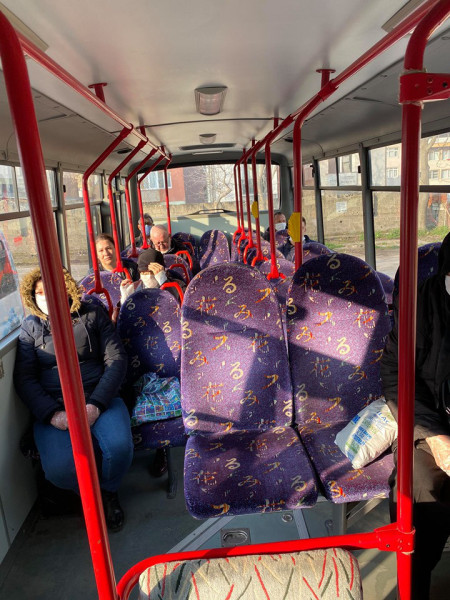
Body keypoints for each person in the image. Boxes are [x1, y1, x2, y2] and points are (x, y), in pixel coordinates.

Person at [14, 267, 134, 532]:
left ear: (65, 289)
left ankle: (108, 491)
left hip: (99, 395)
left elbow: (116, 359)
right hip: (55, 405)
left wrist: (96, 404)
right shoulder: (30, 328)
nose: (46, 297)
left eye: (51, 290)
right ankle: (89, 496)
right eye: (40, 293)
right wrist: (53, 414)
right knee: (59, 469)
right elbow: (25, 379)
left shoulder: (92, 314)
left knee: (119, 448)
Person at [380, 232, 450, 600]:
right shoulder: (419, 305)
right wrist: (435, 436)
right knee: (418, 491)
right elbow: (395, 374)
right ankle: (415, 582)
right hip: (428, 423)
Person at [119, 247, 186, 306]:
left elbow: (179, 307)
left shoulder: (178, 285)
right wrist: (124, 301)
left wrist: (164, 282)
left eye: (151, 272)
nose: (147, 275)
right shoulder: (134, 287)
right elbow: (126, 314)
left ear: (162, 270)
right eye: (143, 273)